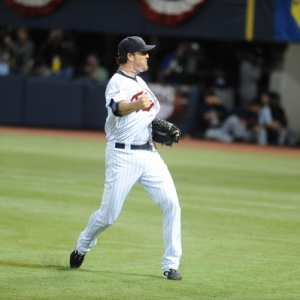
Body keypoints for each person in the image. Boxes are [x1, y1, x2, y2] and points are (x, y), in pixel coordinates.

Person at [69, 36, 183, 281]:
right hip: (122, 156)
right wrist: (135, 105)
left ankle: (170, 265)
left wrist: (152, 128)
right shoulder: (117, 81)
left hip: (149, 154)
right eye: (143, 52)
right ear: (130, 56)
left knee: (172, 205)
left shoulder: (140, 81)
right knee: (109, 215)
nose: (148, 55)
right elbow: (116, 107)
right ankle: (83, 245)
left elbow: (145, 115)